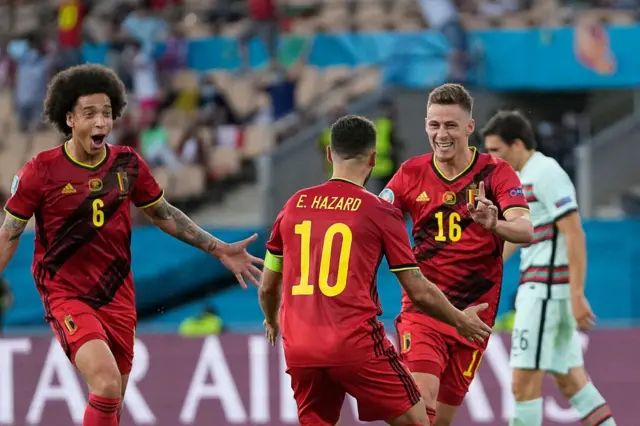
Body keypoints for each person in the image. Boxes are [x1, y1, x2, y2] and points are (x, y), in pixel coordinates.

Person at [0, 64, 263, 426]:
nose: (101, 122)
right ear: (69, 118)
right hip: (66, 292)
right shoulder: (40, 172)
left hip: (118, 296)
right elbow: (10, 233)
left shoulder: (127, 164)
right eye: (89, 113)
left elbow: (162, 213)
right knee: (106, 385)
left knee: (113, 401)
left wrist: (217, 248)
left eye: (107, 113)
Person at [259, 114, 492, 426]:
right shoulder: (379, 211)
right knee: (417, 420)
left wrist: (272, 319)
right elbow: (418, 290)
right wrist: (460, 321)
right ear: (373, 158)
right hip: (354, 344)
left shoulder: (293, 205)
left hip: (300, 346)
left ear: (329, 154)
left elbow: (267, 287)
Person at [379, 83, 534, 426]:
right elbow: (374, 217)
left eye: (450, 125)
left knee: (441, 420)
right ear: (425, 125)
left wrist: (496, 224)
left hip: (475, 317)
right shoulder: (410, 173)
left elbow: (525, 230)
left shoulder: (495, 173)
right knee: (422, 401)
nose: (441, 134)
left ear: (468, 127)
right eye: (434, 125)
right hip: (425, 308)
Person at [482, 110, 616, 426]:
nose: (491, 158)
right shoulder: (520, 180)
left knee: (522, 384)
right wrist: (484, 271)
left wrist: (577, 294)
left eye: (496, 150)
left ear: (517, 144)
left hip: (545, 294)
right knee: (572, 383)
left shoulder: (546, 173)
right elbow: (522, 236)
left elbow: (574, 232)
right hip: (541, 291)